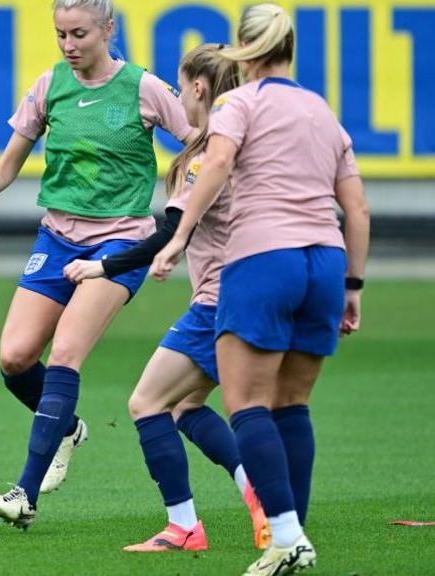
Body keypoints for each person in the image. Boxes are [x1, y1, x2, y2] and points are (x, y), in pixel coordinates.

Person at [150, 4, 370, 574]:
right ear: (291, 49)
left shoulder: (237, 103)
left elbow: (217, 162)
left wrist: (178, 239)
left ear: (245, 52)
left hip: (262, 259)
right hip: (325, 259)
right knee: (292, 404)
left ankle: (288, 538)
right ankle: (292, 533)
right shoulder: (321, 110)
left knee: (246, 404)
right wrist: (354, 285)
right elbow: (358, 208)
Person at [0, 0, 195, 528]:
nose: (69, 45)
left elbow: (201, 143)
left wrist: (182, 203)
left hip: (120, 243)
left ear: (108, 30)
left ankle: (25, 494)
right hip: (58, 237)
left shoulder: (144, 88)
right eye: (60, 34)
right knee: (15, 358)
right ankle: (68, 428)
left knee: (67, 351)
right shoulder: (49, 87)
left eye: (79, 33)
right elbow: (4, 169)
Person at [64, 43, 270, 552]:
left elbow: (169, 233)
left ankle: (184, 527)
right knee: (187, 405)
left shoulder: (203, 158)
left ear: (198, 89)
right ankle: (255, 491)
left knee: (146, 403)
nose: (178, 98)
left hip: (219, 300)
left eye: (180, 89)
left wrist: (103, 265)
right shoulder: (249, 145)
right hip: (258, 295)